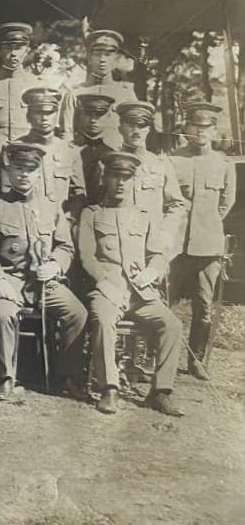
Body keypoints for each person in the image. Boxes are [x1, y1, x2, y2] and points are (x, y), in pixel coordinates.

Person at [0, 142, 88, 401]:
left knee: (77, 313)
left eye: (30, 170)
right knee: (2, 314)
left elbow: (65, 246)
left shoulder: (50, 207)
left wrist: (55, 264)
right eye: (18, 169)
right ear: (8, 172)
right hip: (8, 279)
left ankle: (67, 376)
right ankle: (5, 378)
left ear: (38, 173)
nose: (24, 175)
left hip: (43, 282)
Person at [80, 151, 184, 417]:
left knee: (171, 324)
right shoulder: (91, 214)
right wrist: (106, 284)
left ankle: (160, 392)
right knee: (102, 320)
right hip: (107, 290)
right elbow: (87, 257)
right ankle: (109, 389)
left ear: (133, 181)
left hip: (139, 293)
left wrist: (153, 271)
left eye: (127, 178)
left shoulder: (143, 216)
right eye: (116, 176)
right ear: (105, 179)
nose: (121, 183)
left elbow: (158, 253)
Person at [170, 102, 237, 379]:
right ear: (186, 128)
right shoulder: (174, 160)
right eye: (195, 126)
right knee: (165, 301)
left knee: (204, 307)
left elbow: (227, 202)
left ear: (213, 130)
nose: (200, 131)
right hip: (175, 244)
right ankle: (154, 355)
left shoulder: (223, 163)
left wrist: (208, 226)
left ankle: (196, 360)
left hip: (208, 245)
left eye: (206, 127)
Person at [0, 88, 85, 217]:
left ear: (56, 115)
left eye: (49, 113)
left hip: (59, 224)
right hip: (23, 221)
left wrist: (69, 221)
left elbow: (78, 194)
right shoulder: (13, 150)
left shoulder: (69, 151)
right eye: (38, 112)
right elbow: (3, 193)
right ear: (28, 116)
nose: (44, 118)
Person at [115, 101, 188, 255]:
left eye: (141, 126)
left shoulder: (160, 163)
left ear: (148, 129)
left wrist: (165, 235)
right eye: (130, 125)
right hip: (118, 246)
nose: (136, 131)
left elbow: (177, 205)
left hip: (152, 247)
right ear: (120, 127)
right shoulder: (108, 164)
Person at [59, 30, 138, 147]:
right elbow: (66, 134)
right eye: (97, 54)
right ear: (89, 57)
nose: (102, 60)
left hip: (115, 157)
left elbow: (134, 130)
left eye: (108, 55)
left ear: (116, 59)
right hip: (80, 158)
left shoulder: (125, 92)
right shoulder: (75, 92)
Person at [0, 22, 41, 161]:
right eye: (8, 47)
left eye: (19, 48)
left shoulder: (37, 84)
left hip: (29, 158)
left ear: (26, 50)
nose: (13, 53)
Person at [74, 93, 116, 205]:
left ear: (108, 117)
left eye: (99, 115)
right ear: (80, 115)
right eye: (88, 114)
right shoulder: (70, 151)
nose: (93, 120)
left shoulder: (112, 154)